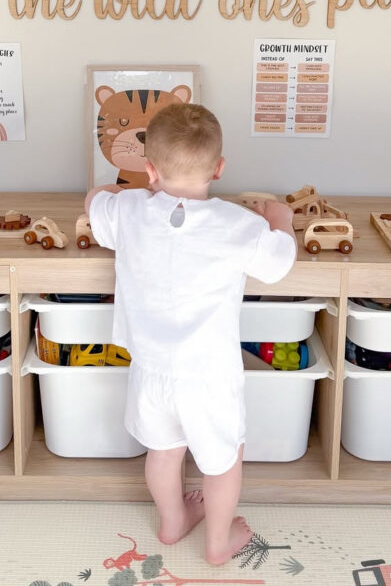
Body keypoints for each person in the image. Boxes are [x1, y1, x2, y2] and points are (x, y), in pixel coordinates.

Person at [86, 102, 296, 565]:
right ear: (219, 168)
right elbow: (279, 262)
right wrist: (280, 217)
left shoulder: (129, 210)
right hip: (210, 377)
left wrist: (126, 189)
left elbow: (94, 202)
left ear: (149, 168)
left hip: (151, 370)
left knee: (162, 452)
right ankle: (219, 543)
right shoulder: (238, 224)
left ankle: (172, 520)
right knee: (222, 462)